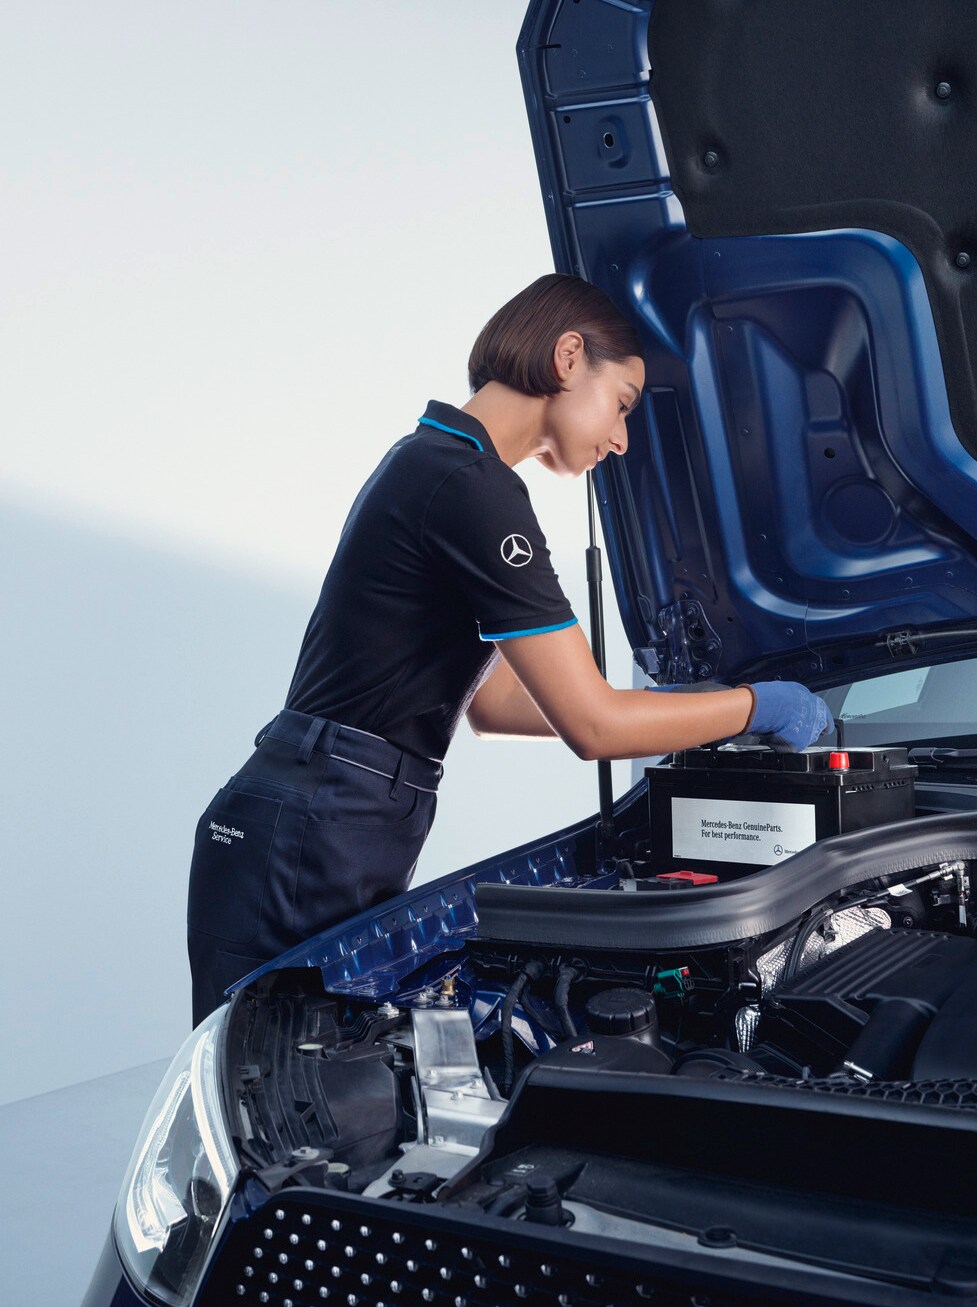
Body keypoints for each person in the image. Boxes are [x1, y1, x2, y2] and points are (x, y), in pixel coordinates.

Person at [187, 274, 831, 1024]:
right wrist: (757, 704)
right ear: (566, 357)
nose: (621, 439)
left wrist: (686, 708)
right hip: (312, 825)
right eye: (621, 403)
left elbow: (491, 704)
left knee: (313, 1092)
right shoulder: (468, 483)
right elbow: (593, 727)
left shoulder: (437, 465)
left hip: (327, 816)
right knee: (283, 1097)